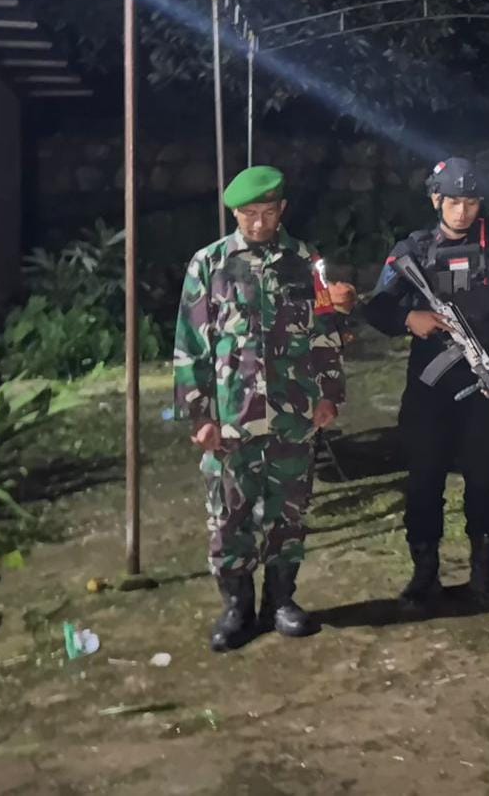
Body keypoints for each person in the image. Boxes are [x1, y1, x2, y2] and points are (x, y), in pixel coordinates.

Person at [173, 165, 346, 652]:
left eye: (268, 213)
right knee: (229, 516)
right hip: (232, 418)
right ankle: (237, 607)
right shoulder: (209, 264)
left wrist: (329, 394)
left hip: (294, 412)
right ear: (234, 213)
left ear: (282, 209)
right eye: (249, 214)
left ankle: (281, 601)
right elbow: (190, 344)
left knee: (289, 511)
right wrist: (200, 415)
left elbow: (325, 331)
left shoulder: (306, 261)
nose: (258, 223)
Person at [361, 157, 489, 610]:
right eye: (454, 202)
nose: (463, 211)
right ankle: (425, 575)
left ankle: (483, 573)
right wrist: (408, 318)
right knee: (424, 480)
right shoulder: (413, 249)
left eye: (471, 202)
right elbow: (376, 307)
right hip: (429, 387)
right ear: (436, 199)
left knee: (483, 480)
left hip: (483, 384)